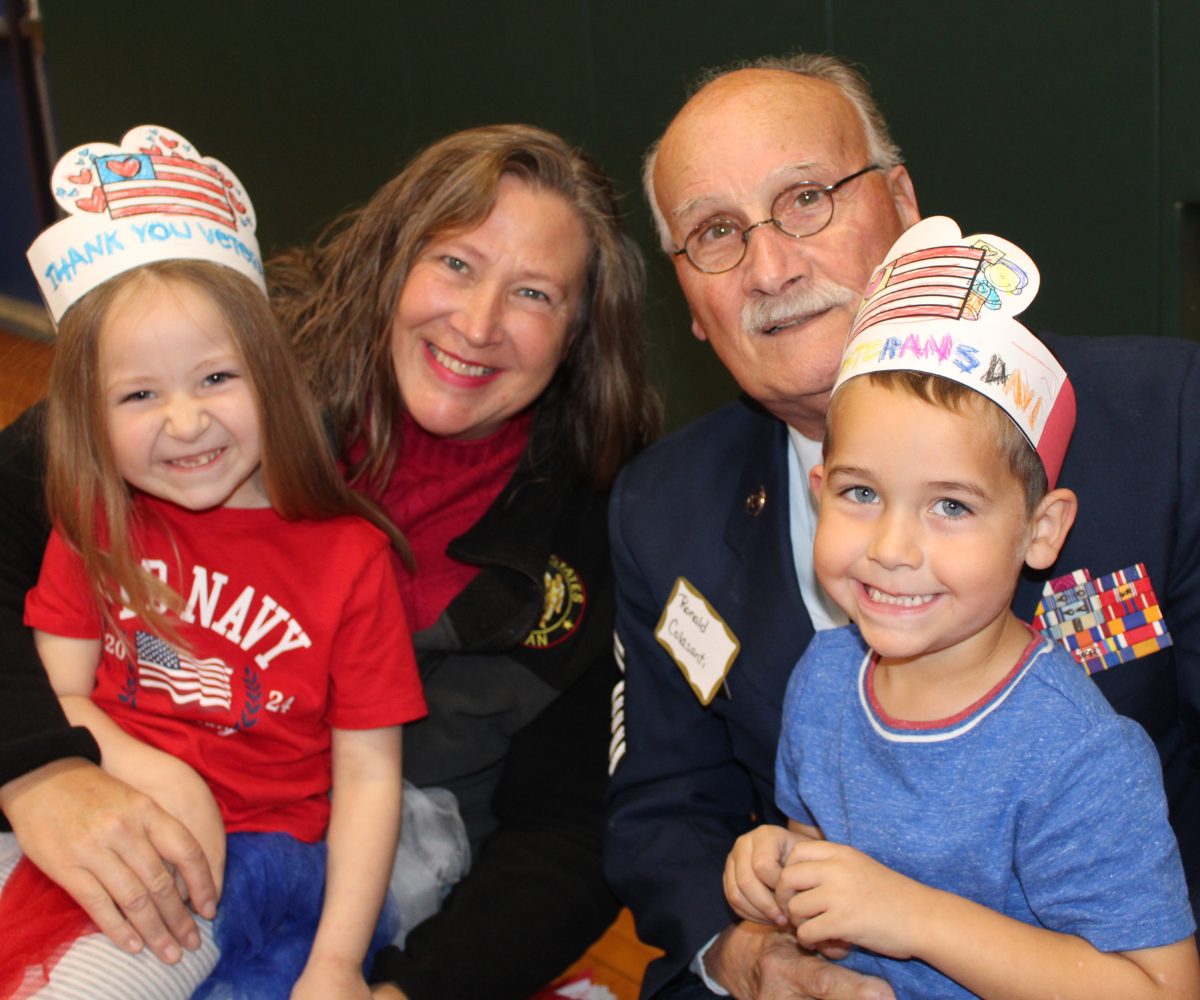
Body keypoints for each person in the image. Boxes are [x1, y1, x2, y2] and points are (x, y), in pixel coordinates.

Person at [0, 124, 660, 1000]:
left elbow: (569, 838)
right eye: (455, 264)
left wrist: (391, 989)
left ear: (581, 331)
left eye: (534, 294)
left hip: (369, 919)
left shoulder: (606, 527)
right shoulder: (211, 384)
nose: (477, 323)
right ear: (390, 261)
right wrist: (42, 765)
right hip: (105, 823)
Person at [604, 52, 1200, 1000]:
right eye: (715, 232)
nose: (770, 266)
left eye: (805, 198)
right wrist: (751, 949)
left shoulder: (1160, 423)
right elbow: (664, 811)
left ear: (905, 205)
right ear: (689, 305)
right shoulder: (658, 511)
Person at [0, 125, 427, 999]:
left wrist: (339, 965)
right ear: (89, 417)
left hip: (237, 864)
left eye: (215, 380)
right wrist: (144, 766)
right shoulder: (95, 518)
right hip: (87, 808)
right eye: (140, 395)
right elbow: (61, 693)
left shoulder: (352, 558)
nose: (185, 423)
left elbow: (370, 774)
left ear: (273, 380)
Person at [724, 216, 1198, 1000]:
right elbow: (820, 854)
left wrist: (911, 915)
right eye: (862, 493)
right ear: (820, 493)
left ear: (1040, 533)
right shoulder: (824, 679)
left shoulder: (1076, 754)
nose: (893, 547)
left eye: (950, 506)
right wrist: (777, 864)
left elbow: (1160, 988)